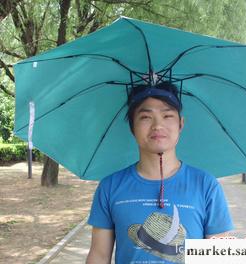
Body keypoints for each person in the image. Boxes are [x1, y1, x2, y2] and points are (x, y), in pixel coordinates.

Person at [86, 81, 234, 264]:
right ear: (132, 126)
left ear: (181, 124)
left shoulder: (206, 185)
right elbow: (99, 256)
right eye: (146, 117)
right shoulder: (110, 187)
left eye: (167, 115)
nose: (157, 125)